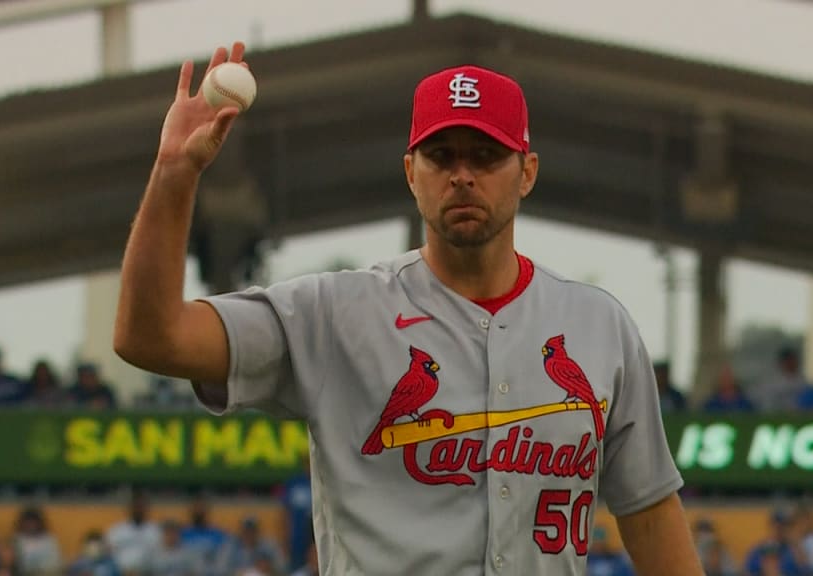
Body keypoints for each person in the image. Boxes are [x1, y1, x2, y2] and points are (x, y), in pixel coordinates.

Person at [112, 42, 701, 576]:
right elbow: (151, 338)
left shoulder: (599, 326)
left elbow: (649, 513)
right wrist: (174, 174)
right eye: (441, 155)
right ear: (410, 174)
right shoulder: (333, 313)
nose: (463, 175)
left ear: (527, 172)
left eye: (486, 154)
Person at [105, 491, 161, 575]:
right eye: (135, 507)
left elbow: (158, 555)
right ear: (129, 508)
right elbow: (109, 553)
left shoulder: (155, 530)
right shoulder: (117, 530)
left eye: (141, 507)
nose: (138, 510)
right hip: (120, 572)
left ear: (147, 509)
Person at [279, 456, 312, 573]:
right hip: (296, 542)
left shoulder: (323, 483)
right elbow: (285, 515)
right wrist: (284, 541)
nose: (309, 467)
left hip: (316, 542)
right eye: (307, 463)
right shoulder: (294, 484)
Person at [12, 505, 61, 575]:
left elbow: (56, 563)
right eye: (28, 522)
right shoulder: (17, 540)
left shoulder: (49, 540)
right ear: (22, 523)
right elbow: (15, 564)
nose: (30, 525)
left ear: (39, 523)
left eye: (33, 522)